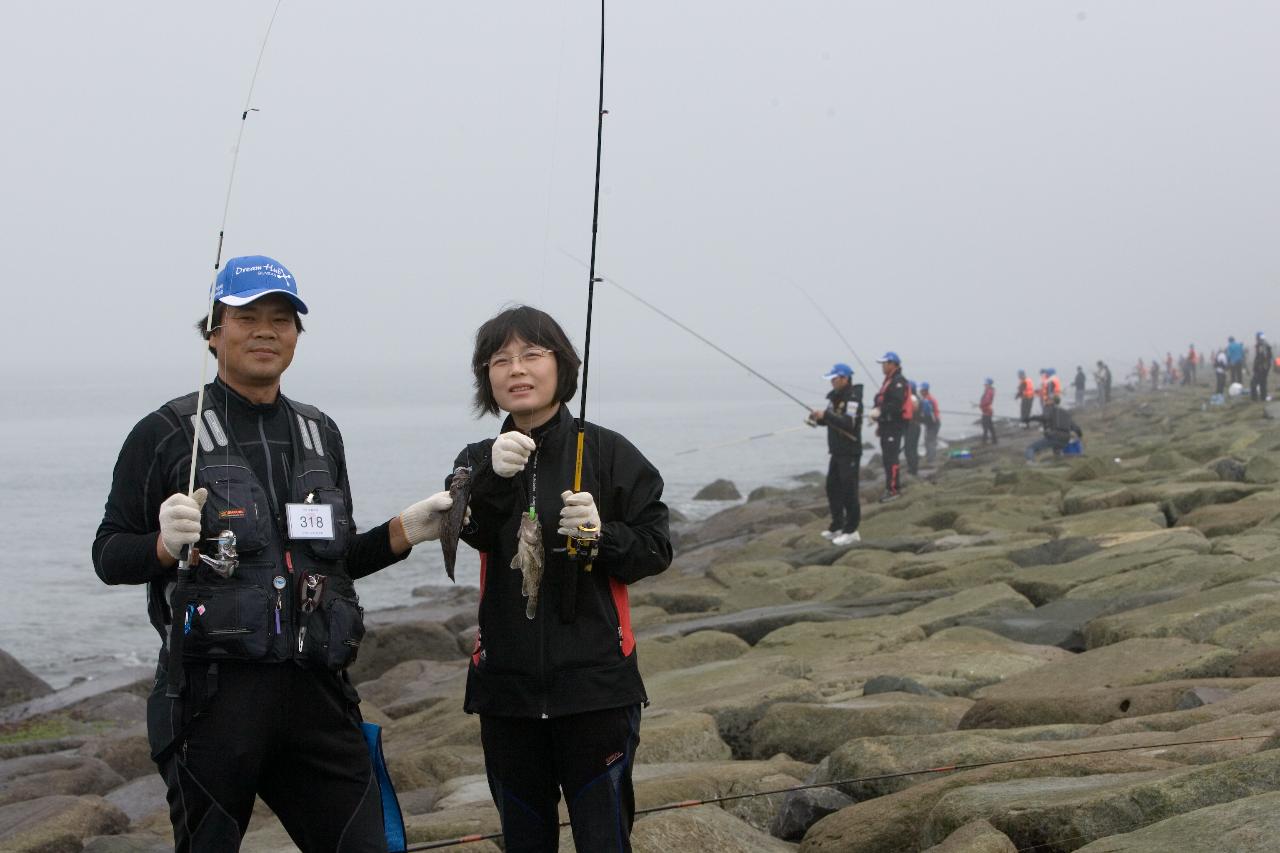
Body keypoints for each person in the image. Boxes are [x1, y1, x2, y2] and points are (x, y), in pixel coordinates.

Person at [92, 256, 459, 852]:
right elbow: (109, 555)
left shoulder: (321, 433)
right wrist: (162, 545)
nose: (266, 330)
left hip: (317, 693)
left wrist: (404, 531)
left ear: (296, 336)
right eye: (248, 316)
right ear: (213, 332)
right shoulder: (163, 433)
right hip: (211, 699)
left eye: (282, 319)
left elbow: (330, 563)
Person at [450, 305, 672, 852]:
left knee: (604, 839)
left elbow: (656, 548)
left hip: (597, 689)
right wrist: (494, 480)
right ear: (487, 378)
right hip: (505, 694)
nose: (516, 369)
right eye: (500, 360)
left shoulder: (608, 451)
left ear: (562, 365)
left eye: (531, 354)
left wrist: (601, 537)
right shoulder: (476, 459)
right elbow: (466, 534)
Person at [810, 363, 863, 546]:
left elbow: (848, 423)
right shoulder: (835, 398)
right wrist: (820, 417)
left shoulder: (853, 398)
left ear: (844, 378)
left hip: (850, 452)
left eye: (834, 379)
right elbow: (833, 421)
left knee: (850, 491)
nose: (832, 382)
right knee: (832, 487)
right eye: (831, 379)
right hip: (837, 451)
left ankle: (852, 530)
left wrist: (827, 415)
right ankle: (837, 526)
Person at [870, 351, 912, 502]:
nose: (882, 366)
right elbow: (882, 400)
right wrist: (878, 418)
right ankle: (890, 488)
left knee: (891, 457)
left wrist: (880, 411)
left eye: (884, 363)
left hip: (894, 425)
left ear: (892, 364)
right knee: (887, 458)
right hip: (886, 425)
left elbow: (896, 404)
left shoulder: (898, 381)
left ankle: (894, 490)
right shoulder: (889, 381)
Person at [1026, 395, 1083, 463]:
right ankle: (1058, 462)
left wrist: (1030, 418)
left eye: (1047, 400)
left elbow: (1045, 417)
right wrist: (1080, 435)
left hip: (1054, 436)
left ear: (1052, 401)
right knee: (1057, 449)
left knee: (1030, 448)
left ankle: (1030, 462)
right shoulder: (1065, 412)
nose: (1045, 401)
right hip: (1065, 439)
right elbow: (1075, 427)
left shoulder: (1049, 408)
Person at [919, 382, 941, 465]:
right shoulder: (926, 399)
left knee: (930, 441)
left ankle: (931, 460)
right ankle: (930, 457)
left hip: (933, 423)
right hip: (932, 423)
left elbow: (929, 415)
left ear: (925, 390)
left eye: (921, 390)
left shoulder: (928, 400)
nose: (920, 391)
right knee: (929, 440)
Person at [904, 380, 922, 476]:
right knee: (913, 448)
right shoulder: (917, 398)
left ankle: (912, 469)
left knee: (909, 448)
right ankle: (913, 468)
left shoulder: (912, 398)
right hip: (916, 426)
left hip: (911, 426)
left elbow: (912, 410)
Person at [1251, 332, 1273, 402]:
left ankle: (1255, 398)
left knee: (1254, 382)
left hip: (1261, 367)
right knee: (1263, 382)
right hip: (1265, 367)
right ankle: (1263, 396)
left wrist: (1258, 366)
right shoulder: (1266, 345)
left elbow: (1261, 356)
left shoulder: (1261, 345)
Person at [978, 378, 997, 445]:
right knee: (990, 426)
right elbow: (986, 401)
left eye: (986, 384)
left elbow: (987, 401)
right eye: (985, 384)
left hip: (987, 411)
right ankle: (994, 440)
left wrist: (981, 405)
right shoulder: (989, 391)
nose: (984, 385)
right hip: (987, 410)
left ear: (989, 384)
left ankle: (984, 440)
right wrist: (981, 405)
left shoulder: (989, 391)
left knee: (985, 426)